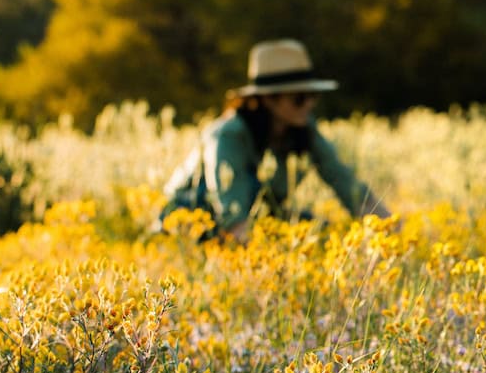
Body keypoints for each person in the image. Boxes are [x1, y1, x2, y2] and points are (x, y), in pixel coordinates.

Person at [160, 38, 390, 241]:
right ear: (269, 99)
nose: (309, 104)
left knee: (322, 231)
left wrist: (386, 228)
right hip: (192, 225)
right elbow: (233, 218)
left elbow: (345, 182)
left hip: (256, 223)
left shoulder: (302, 129)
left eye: (312, 95)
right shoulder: (228, 135)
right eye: (299, 97)